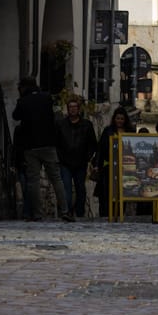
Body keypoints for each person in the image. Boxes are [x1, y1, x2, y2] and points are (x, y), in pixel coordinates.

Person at [12, 76, 70, 222]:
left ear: (23, 87)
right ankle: (65, 211)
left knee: (33, 181)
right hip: (48, 143)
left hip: (30, 145)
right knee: (56, 178)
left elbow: (15, 116)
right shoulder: (46, 98)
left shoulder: (23, 102)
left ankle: (37, 213)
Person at [56, 98, 97, 219]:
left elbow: (92, 143)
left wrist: (87, 157)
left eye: (75, 107)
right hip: (65, 162)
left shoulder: (86, 125)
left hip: (80, 162)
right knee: (66, 189)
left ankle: (80, 212)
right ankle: (67, 212)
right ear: (67, 109)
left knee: (80, 189)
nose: (73, 109)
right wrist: (60, 157)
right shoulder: (61, 124)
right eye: (70, 107)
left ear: (78, 109)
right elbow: (57, 143)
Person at [93, 105, 132, 217]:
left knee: (121, 193)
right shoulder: (107, 131)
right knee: (106, 193)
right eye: (117, 118)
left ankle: (119, 214)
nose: (119, 121)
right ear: (114, 119)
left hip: (124, 169)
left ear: (125, 120)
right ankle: (105, 215)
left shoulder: (130, 131)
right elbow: (100, 148)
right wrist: (96, 165)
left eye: (122, 119)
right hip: (107, 167)